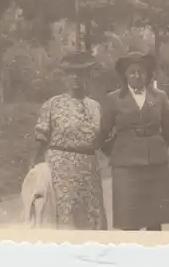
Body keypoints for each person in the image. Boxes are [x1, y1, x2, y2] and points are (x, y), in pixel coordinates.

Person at [102, 51, 169, 231]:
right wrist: (118, 151)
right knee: (130, 220)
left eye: (141, 72)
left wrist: (156, 146)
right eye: (132, 72)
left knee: (154, 220)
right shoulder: (113, 99)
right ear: (125, 75)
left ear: (147, 74)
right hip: (126, 168)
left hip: (155, 165)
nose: (137, 76)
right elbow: (103, 133)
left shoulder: (159, 96)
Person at [30, 51, 108, 230]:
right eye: (71, 73)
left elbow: (102, 140)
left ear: (88, 76)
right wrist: (34, 169)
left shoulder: (95, 106)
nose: (76, 78)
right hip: (60, 172)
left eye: (80, 73)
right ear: (64, 77)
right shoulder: (53, 104)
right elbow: (40, 137)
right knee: (64, 220)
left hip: (89, 172)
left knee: (90, 222)